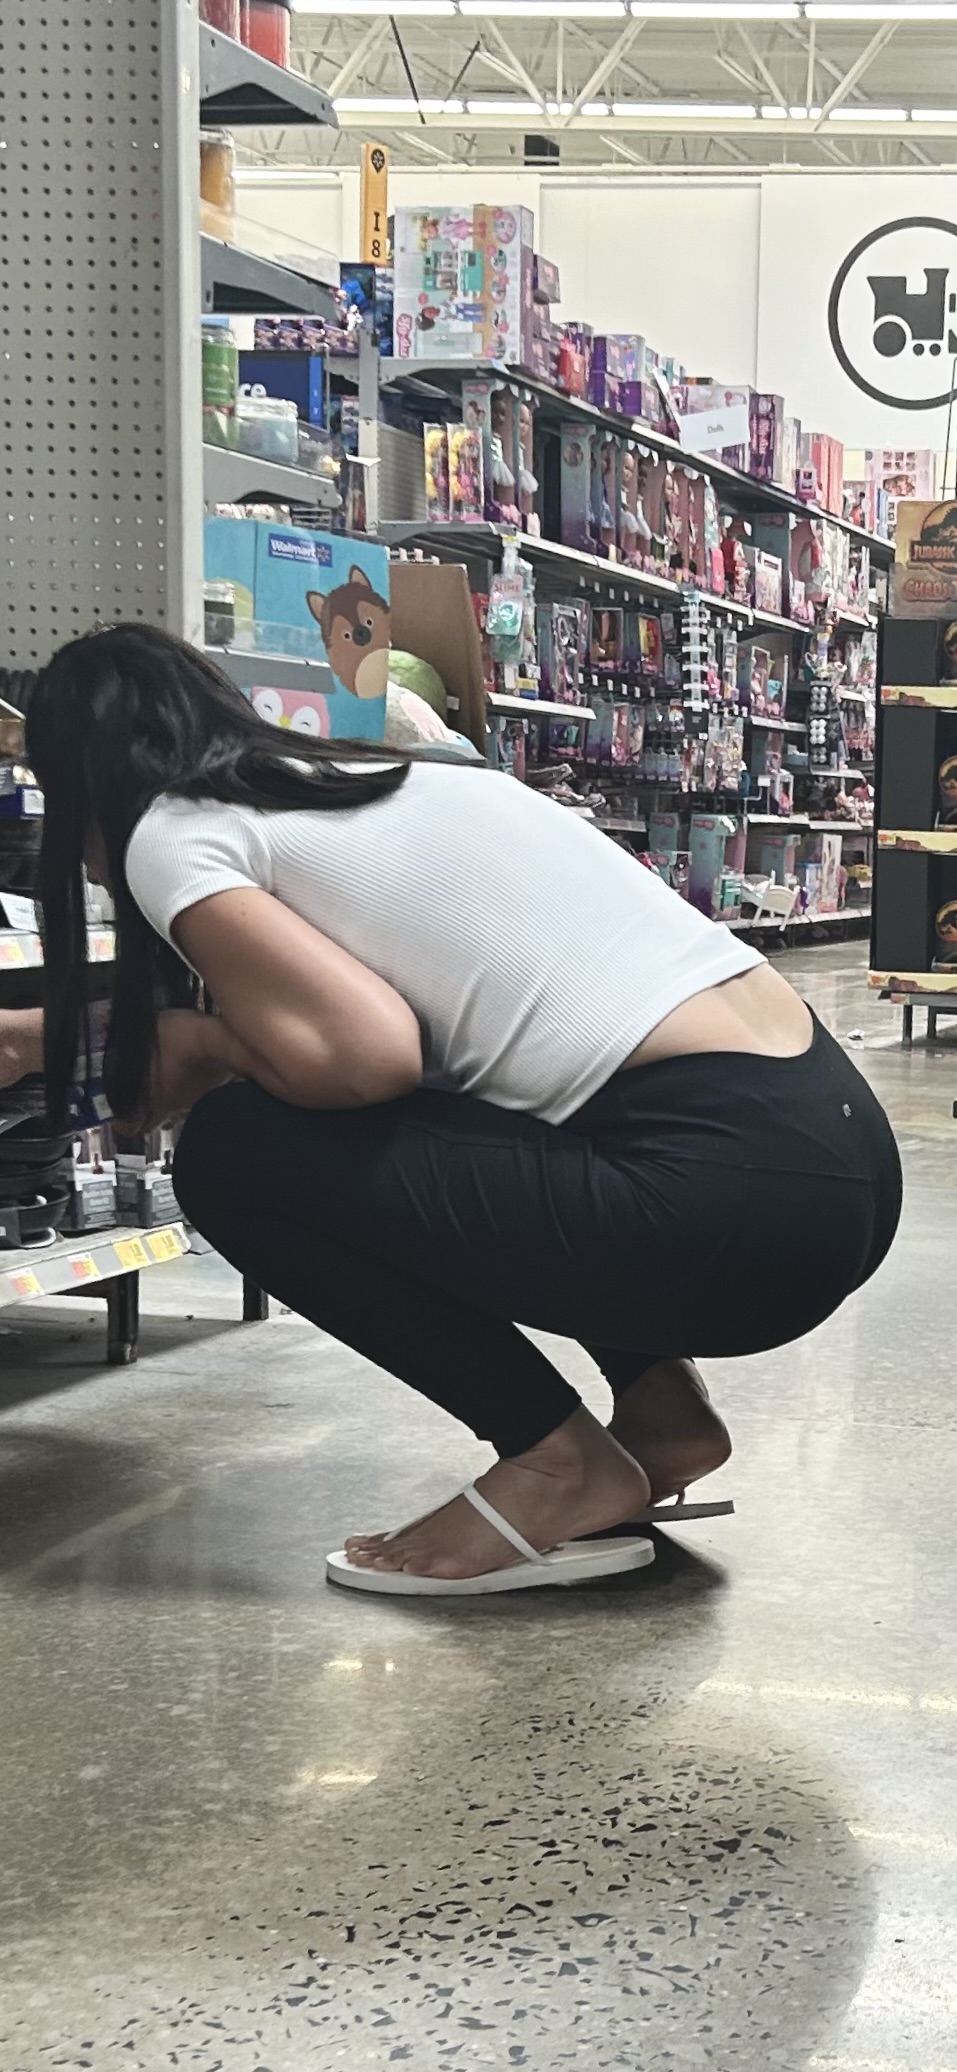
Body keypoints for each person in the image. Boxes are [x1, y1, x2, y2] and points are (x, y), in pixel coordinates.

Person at [8, 624, 901, 1598]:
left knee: (234, 1154)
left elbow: (366, 1056)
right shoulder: (387, 781)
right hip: (831, 1162)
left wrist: (204, 1047)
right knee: (490, 1090)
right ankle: (661, 1415)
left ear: (83, 781)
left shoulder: (175, 828)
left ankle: (555, 1462)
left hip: (727, 1212)